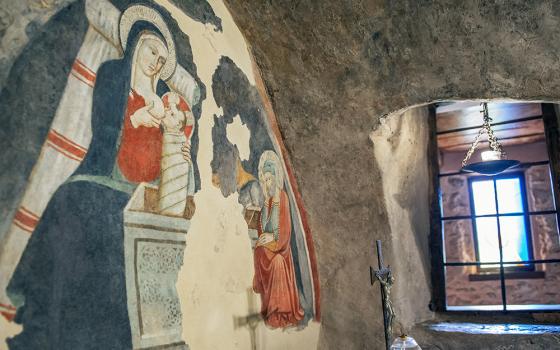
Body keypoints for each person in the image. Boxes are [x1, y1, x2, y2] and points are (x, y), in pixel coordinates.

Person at [5, 14, 192, 349]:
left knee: (108, 226)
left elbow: (176, 144)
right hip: (103, 175)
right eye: (152, 52)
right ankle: (47, 322)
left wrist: (169, 128)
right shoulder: (113, 75)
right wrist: (135, 116)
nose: (156, 63)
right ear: (135, 47)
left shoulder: (165, 98)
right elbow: (102, 128)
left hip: (139, 191)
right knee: (69, 201)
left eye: (162, 60)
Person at [253, 150, 304, 328]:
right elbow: (262, 226)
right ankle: (270, 308)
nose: (267, 183)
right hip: (268, 247)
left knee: (277, 263)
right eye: (265, 180)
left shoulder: (282, 198)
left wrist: (272, 240)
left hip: (281, 249)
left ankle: (281, 311)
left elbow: (285, 231)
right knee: (258, 250)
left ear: (275, 178)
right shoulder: (266, 202)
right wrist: (263, 238)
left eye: (269, 179)